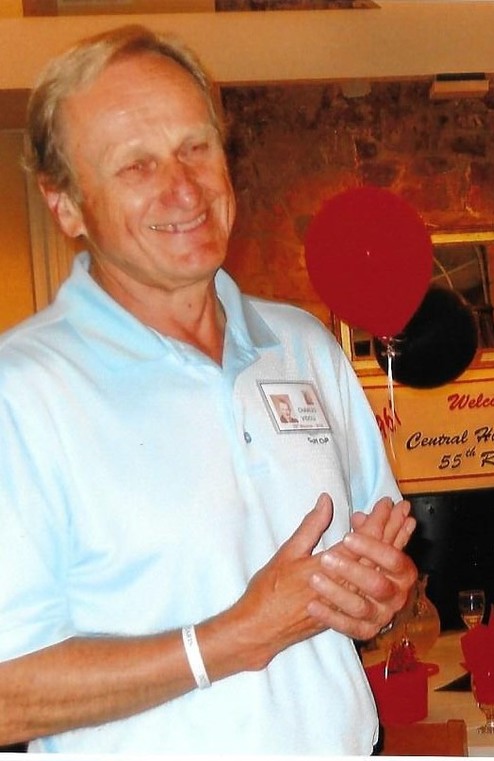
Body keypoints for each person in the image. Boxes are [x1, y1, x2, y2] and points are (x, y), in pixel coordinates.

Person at [0, 25, 418, 754]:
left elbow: (392, 597)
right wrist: (231, 639)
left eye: (196, 147)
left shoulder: (304, 348)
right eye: (137, 165)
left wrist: (387, 598)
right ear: (65, 203)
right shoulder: (22, 394)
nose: (185, 189)